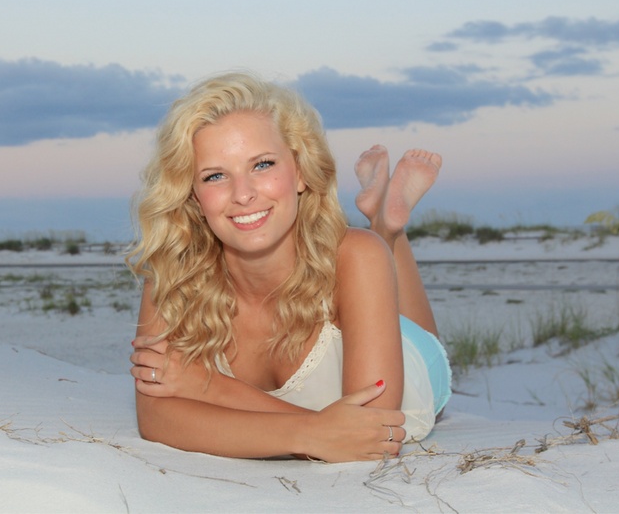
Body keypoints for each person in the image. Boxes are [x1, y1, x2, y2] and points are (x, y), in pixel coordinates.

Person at [126, 72, 451, 463]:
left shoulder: (355, 256)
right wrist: (312, 434)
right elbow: (156, 418)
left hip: (413, 368)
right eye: (215, 176)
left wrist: (210, 388)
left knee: (420, 337)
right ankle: (386, 223)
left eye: (262, 165)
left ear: (300, 171)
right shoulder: (172, 273)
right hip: (353, 313)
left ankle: (390, 231)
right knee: (374, 263)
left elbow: (372, 432)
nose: (243, 194)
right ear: (193, 197)